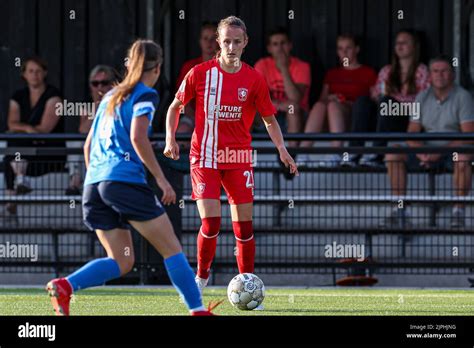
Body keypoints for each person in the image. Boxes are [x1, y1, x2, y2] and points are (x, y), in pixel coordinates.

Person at [46, 40, 215, 316]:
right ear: (158, 67)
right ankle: (197, 310)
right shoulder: (145, 94)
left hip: (94, 185)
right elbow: (138, 137)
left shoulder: (110, 96)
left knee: (121, 261)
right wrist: (161, 180)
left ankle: (65, 285)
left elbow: (88, 146)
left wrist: (97, 180)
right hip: (123, 182)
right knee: (172, 248)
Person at [164, 16, 298, 309]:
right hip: (205, 157)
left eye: (238, 41)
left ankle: (247, 281)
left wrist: (282, 149)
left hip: (238, 159)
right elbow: (175, 107)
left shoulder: (254, 78)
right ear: (218, 42)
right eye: (226, 41)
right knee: (211, 222)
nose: (232, 46)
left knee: (244, 228)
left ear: (245, 42)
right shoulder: (199, 73)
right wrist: (170, 139)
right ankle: (201, 277)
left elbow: (269, 119)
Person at [384, 55, 474, 228]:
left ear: (452, 74)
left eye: (444, 71)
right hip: (426, 149)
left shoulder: (463, 97)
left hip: (452, 151)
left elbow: (468, 136)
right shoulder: (421, 97)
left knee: (462, 157)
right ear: (430, 76)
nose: (440, 75)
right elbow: (412, 132)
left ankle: (458, 213)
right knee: (393, 151)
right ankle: (399, 210)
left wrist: (437, 153)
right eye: (435, 71)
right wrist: (421, 153)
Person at [353, 29, 430, 168]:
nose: (399, 46)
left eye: (404, 43)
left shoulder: (422, 70)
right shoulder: (387, 70)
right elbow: (376, 97)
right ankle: (354, 152)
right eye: (397, 43)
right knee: (363, 101)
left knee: (387, 102)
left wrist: (393, 100)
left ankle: (377, 153)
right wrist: (383, 96)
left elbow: (425, 103)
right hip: (384, 116)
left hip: (407, 118)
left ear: (414, 46)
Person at [298, 34, 377, 167]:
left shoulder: (367, 72)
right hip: (332, 117)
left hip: (354, 117)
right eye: (340, 48)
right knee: (320, 105)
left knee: (333, 106)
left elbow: (374, 100)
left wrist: (346, 101)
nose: (344, 52)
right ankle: (302, 152)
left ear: (357, 49)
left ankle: (336, 151)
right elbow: (322, 99)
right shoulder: (332, 73)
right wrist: (331, 98)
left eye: (348, 48)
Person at [3, 56, 64, 223]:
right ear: (24, 74)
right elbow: (11, 122)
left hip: (47, 155)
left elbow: (44, 130)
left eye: (38, 71)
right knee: (10, 156)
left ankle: (11, 203)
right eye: (30, 71)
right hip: (25, 157)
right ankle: (15, 192)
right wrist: (29, 129)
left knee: (14, 145)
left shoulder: (54, 95)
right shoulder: (18, 95)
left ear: (44, 73)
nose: (34, 75)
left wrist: (25, 130)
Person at [254, 27, 311, 148]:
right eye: (275, 44)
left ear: (290, 45)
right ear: (269, 48)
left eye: (283, 43)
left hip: (296, 117)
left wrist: (284, 69)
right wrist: (279, 105)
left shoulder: (302, 66)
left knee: (293, 108)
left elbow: (296, 99)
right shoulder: (262, 65)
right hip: (269, 116)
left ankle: (292, 156)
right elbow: (258, 99)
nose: (280, 48)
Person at [65, 65, 118, 195]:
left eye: (104, 83)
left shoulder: (118, 101)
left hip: (111, 143)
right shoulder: (88, 103)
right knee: (74, 143)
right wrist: (97, 107)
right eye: (95, 84)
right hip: (92, 144)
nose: (100, 87)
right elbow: (83, 130)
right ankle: (75, 181)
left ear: (112, 85)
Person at [175, 21, 218, 134]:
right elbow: (183, 102)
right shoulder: (190, 67)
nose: (209, 42)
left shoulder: (227, 67)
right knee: (182, 131)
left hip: (221, 119)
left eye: (213, 38)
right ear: (200, 41)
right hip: (193, 118)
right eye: (205, 38)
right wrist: (198, 121)